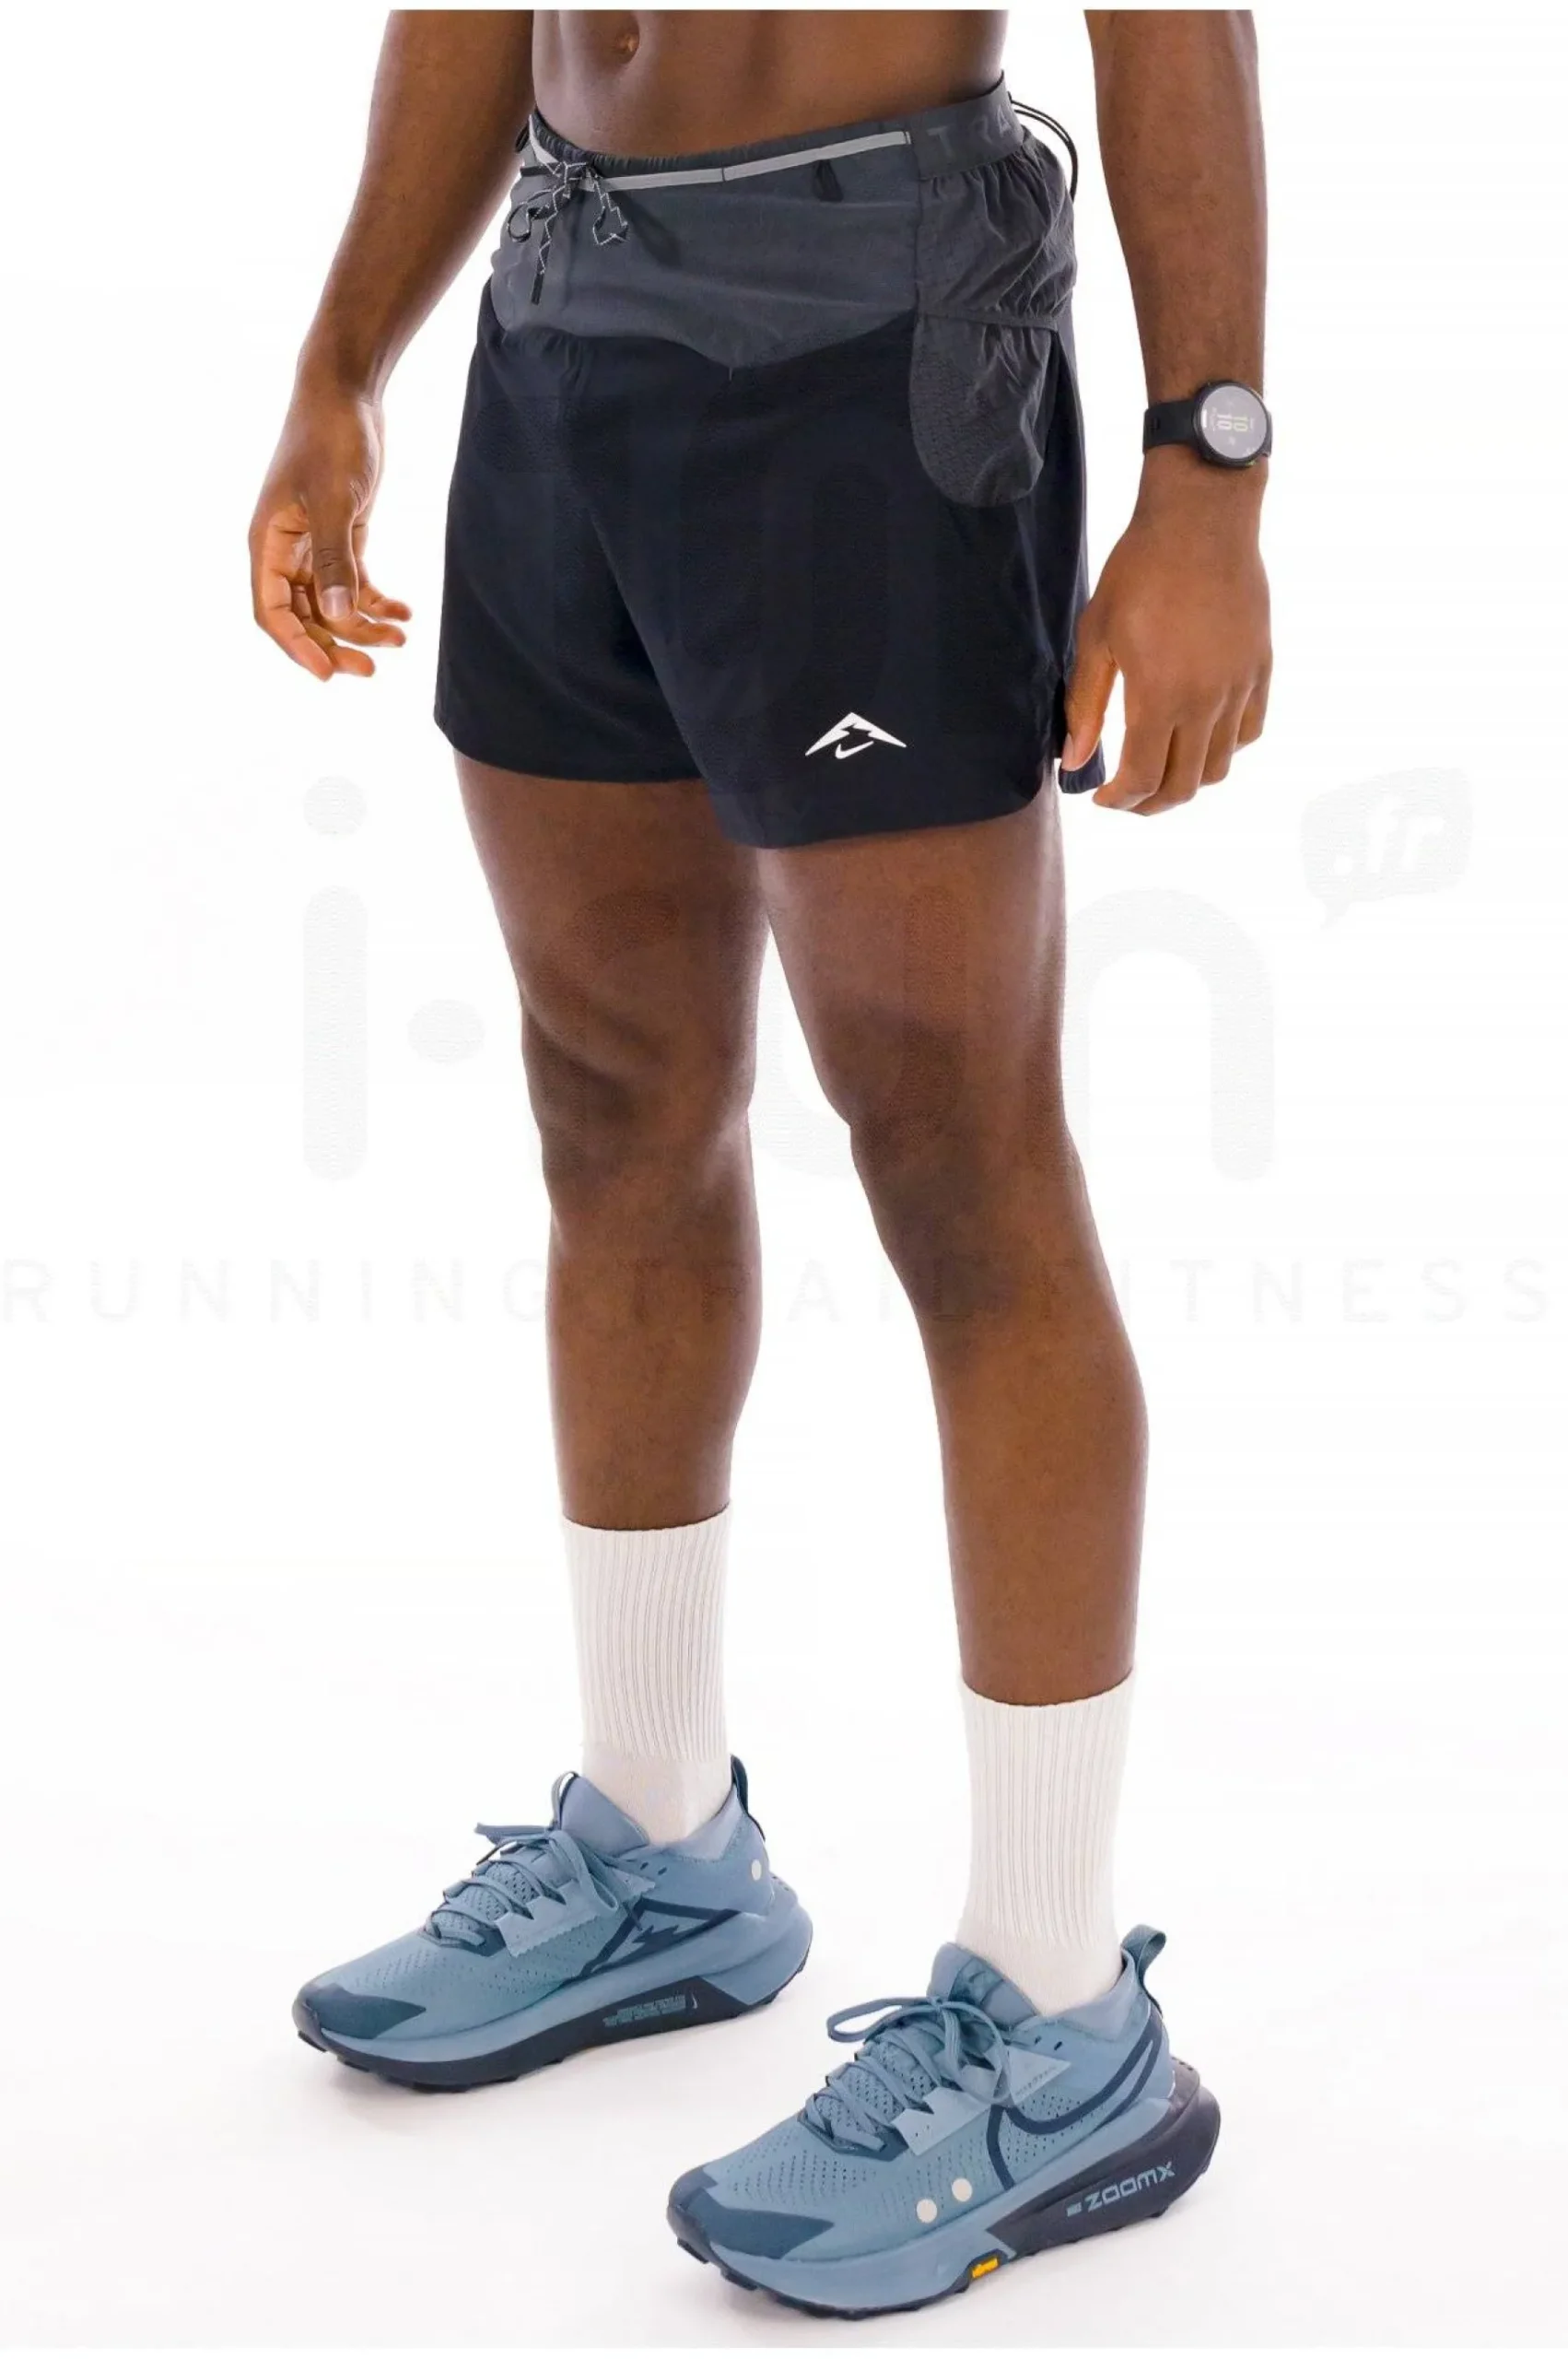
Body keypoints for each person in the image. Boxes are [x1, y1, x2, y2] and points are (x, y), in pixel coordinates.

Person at [252, 9, 1270, 2318]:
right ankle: (658, 1840)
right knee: (610, 1099)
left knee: (953, 1157)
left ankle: (1059, 2005)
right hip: (561, 314)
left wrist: (1203, 470)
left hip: (867, 337)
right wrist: (341, 361)